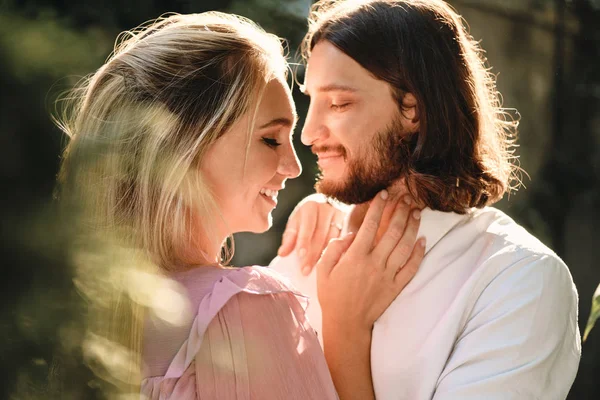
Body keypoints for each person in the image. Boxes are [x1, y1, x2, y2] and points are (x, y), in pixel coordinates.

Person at [53, 11, 425, 399]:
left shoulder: (66, 315)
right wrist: (347, 329)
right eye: (270, 139)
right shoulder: (243, 308)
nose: (294, 167)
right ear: (183, 146)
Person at [270, 1, 582, 399]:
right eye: (310, 100)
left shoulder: (519, 280)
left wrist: (345, 330)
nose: (309, 133)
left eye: (339, 103)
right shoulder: (309, 242)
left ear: (412, 109)